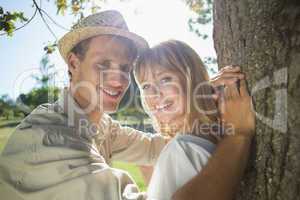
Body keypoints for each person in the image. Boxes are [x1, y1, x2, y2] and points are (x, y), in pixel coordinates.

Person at [0, 10, 253, 200]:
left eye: (125, 68)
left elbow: (160, 146)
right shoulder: (48, 136)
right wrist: (239, 135)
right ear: (74, 64)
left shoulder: (103, 128)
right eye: (103, 64)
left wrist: (199, 91)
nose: (118, 79)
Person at [134, 40, 255, 200]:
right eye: (146, 86)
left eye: (165, 79)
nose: (154, 94)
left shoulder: (183, 149)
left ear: (192, 80)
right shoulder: (195, 144)